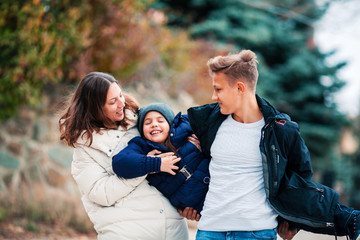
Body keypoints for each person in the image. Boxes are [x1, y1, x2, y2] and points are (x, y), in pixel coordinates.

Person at [184, 50, 360, 240]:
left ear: (240, 88)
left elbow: (300, 177)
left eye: (218, 89)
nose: (213, 96)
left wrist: (289, 221)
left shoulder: (281, 130)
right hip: (210, 230)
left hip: (257, 232)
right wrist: (186, 200)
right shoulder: (207, 122)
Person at [58, 72, 188, 240]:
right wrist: (146, 166)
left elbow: (173, 153)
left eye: (120, 95)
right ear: (96, 109)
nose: (122, 103)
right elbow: (102, 193)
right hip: (126, 233)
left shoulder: (139, 123)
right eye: (113, 101)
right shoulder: (85, 150)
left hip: (173, 231)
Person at [112, 102, 210, 214]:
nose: (154, 124)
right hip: (195, 205)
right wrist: (156, 164)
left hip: (217, 187)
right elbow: (119, 163)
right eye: (147, 123)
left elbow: (214, 121)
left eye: (160, 121)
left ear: (170, 123)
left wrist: (204, 144)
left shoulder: (185, 129)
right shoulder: (143, 147)